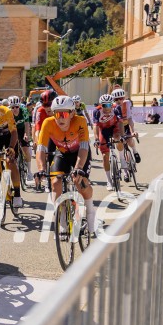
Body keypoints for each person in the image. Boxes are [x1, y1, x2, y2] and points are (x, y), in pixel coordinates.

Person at [35, 96, 99, 235]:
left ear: (72, 113)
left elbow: (83, 147)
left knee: (80, 182)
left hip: (79, 153)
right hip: (62, 153)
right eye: (57, 114)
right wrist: (40, 169)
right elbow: (40, 149)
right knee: (55, 182)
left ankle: (90, 212)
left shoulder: (80, 121)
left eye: (64, 114)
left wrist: (78, 167)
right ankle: (62, 215)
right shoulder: (48, 123)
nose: (60, 118)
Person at [93, 93, 124, 191]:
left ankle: (122, 159)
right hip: (103, 130)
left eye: (109, 105)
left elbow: (121, 123)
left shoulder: (116, 108)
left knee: (118, 138)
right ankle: (109, 180)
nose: (106, 108)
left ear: (112, 104)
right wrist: (96, 139)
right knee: (105, 156)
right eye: (104, 105)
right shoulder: (97, 111)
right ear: (100, 105)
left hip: (114, 127)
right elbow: (95, 126)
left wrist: (122, 136)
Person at [111, 87, 141, 164]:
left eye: (120, 98)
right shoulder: (112, 106)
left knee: (130, 140)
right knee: (119, 142)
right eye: (116, 99)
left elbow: (130, 119)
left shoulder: (127, 103)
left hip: (125, 124)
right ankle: (122, 160)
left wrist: (133, 132)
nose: (118, 101)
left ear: (123, 98)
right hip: (117, 127)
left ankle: (135, 151)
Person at [7, 95, 33, 179]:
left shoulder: (24, 110)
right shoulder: (7, 112)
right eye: (12, 107)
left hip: (22, 129)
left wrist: (26, 134)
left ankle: (29, 171)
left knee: (25, 149)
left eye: (17, 107)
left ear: (19, 106)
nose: (15, 109)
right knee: (12, 150)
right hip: (12, 130)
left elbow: (26, 124)